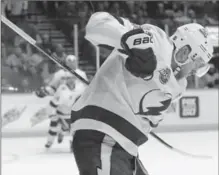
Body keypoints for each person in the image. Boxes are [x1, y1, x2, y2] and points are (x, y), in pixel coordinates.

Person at [70, 12, 214, 175]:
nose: (196, 71)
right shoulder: (154, 40)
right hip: (100, 136)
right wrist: (132, 41)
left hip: (125, 149)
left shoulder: (179, 86)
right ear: (185, 52)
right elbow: (97, 24)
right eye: (199, 63)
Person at [33, 55, 87, 149]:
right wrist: (45, 91)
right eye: (69, 62)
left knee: (75, 129)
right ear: (66, 62)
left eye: (73, 62)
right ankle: (50, 142)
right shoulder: (59, 75)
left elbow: (86, 90)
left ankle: (72, 142)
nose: (71, 64)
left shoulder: (81, 74)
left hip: (75, 107)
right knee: (54, 126)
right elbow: (52, 87)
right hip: (61, 104)